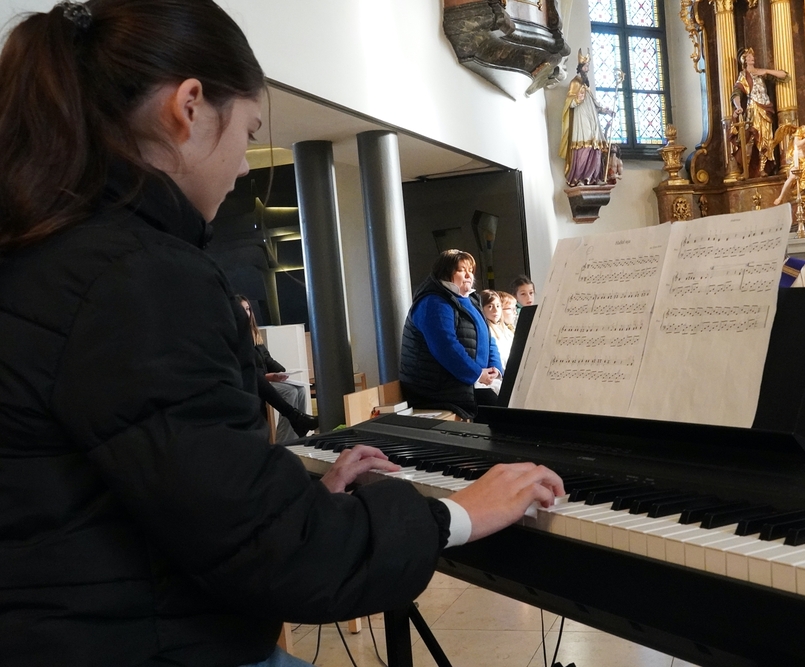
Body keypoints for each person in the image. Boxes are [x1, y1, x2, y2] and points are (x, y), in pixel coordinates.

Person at [0, 2, 563, 665]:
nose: (244, 167)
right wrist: (458, 512)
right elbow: (281, 560)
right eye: (248, 132)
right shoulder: (140, 277)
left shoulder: (49, 249)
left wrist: (307, 499)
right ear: (188, 106)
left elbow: (154, 496)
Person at [399, 249, 504, 419]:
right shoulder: (433, 302)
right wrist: (477, 373)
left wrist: (495, 369)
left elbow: (488, 337)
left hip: (469, 384)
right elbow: (446, 347)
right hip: (439, 391)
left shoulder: (471, 299)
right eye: (461, 270)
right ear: (445, 272)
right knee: (501, 415)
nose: (468, 275)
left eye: (470, 270)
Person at [236, 295, 318, 440]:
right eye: (242, 310)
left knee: (300, 390)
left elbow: (266, 358)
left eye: (248, 309)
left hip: (263, 379)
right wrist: (270, 376)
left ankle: (297, 435)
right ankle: (285, 440)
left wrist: (283, 371)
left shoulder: (252, 333)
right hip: (250, 383)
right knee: (290, 392)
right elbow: (248, 370)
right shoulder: (236, 337)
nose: (247, 313)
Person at [730, 47, 788, 178]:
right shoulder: (743, 75)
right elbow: (736, 93)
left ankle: (762, 168)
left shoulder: (761, 72)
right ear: (744, 60)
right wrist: (738, 106)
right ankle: (746, 169)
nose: (752, 58)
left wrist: (766, 71)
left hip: (765, 108)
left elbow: (784, 75)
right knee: (751, 138)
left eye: (752, 56)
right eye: (749, 56)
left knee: (765, 139)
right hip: (753, 108)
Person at [559, 49, 611, 186]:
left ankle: (594, 177)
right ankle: (579, 178)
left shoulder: (587, 86)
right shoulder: (575, 83)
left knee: (596, 147)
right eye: (585, 66)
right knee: (584, 146)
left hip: (593, 120)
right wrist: (577, 99)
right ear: (580, 67)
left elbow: (595, 105)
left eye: (588, 66)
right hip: (581, 120)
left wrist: (605, 111)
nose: (587, 69)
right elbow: (569, 103)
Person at [774, 122, 805, 205]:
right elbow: (797, 144)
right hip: (799, 160)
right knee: (792, 176)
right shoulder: (799, 131)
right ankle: (780, 197)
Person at [480, 289, 516, 369]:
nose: (495, 310)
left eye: (498, 306)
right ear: (481, 308)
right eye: (490, 306)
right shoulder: (486, 330)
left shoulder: (507, 330)